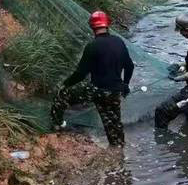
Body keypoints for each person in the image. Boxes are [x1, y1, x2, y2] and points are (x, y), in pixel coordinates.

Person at [51, 11, 134, 147]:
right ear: (107, 25)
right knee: (113, 123)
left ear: (92, 27)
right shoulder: (119, 42)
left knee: (62, 95)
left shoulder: (92, 46)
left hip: (97, 90)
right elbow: (129, 66)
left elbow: (81, 74)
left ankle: (58, 124)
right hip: (115, 91)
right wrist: (125, 85)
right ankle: (119, 151)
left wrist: (65, 84)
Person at [154, 13, 188, 129]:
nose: (180, 33)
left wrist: (175, 78)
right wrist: (180, 65)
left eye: (180, 30)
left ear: (186, 30)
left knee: (162, 112)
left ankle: (162, 142)